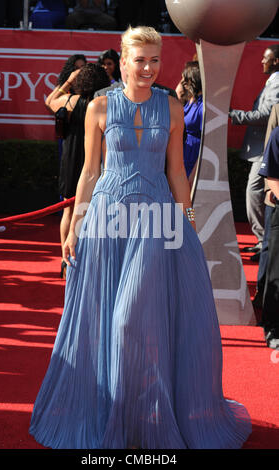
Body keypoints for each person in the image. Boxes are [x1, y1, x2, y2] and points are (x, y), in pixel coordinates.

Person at [29, 26, 251, 449]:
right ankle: (119, 414)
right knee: (105, 316)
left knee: (132, 319)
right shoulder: (98, 107)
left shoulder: (169, 107)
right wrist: (76, 224)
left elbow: (175, 172)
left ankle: (148, 414)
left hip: (155, 221)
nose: (148, 68)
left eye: (154, 60)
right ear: (123, 62)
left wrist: (187, 221)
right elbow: (90, 172)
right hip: (108, 220)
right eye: (140, 60)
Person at [45, 63, 110, 279]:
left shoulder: (71, 101)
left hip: (73, 161)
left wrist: (69, 82)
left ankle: (66, 260)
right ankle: (91, 263)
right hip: (98, 163)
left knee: (69, 211)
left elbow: (49, 101)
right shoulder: (105, 105)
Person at [229, 45, 279, 260]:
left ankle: (264, 241)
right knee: (255, 193)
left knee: (255, 193)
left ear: (276, 61)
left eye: (265, 58)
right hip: (263, 149)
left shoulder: (277, 81)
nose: (262, 62)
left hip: (266, 149)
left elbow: (267, 114)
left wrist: (233, 115)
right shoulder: (273, 80)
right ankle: (263, 241)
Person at [252, 103, 279, 317]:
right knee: (269, 248)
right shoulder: (277, 109)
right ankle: (262, 295)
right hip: (275, 195)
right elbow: (270, 145)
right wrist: (270, 188)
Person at [258, 125, 279, 349]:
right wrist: (190, 216)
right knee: (276, 274)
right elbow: (272, 176)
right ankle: (273, 328)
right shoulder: (277, 134)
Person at [179, 61, 203, 185]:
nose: (182, 81)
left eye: (185, 78)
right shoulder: (190, 101)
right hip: (183, 154)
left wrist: (194, 175)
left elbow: (206, 144)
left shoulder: (202, 106)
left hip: (192, 157)